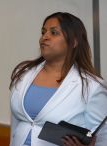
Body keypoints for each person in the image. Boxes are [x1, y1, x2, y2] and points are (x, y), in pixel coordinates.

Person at [9, 12, 107, 146]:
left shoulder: (92, 86)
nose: (45, 37)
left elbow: (102, 138)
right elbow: (16, 125)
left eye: (54, 33)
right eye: (43, 32)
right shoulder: (24, 73)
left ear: (73, 42)